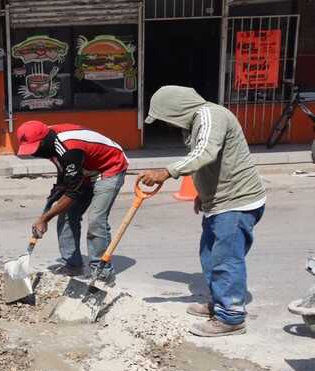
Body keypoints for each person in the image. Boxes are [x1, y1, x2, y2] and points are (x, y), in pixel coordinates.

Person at [138, 85, 266, 338]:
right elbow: (210, 161)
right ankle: (219, 302)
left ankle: (231, 317)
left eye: (165, 117)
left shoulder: (210, 115)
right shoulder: (197, 122)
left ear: (175, 109)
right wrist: (202, 193)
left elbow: (205, 153)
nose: (168, 124)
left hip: (236, 201)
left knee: (226, 259)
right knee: (210, 254)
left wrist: (166, 172)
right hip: (218, 201)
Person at [16, 120, 129, 283]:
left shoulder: (68, 148)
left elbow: (73, 191)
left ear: (44, 141)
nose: (34, 153)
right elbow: (66, 177)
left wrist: (45, 218)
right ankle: (73, 265)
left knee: (96, 220)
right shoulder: (49, 143)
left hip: (109, 168)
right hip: (85, 168)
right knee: (67, 215)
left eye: (35, 148)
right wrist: (54, 197)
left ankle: (102, 271)